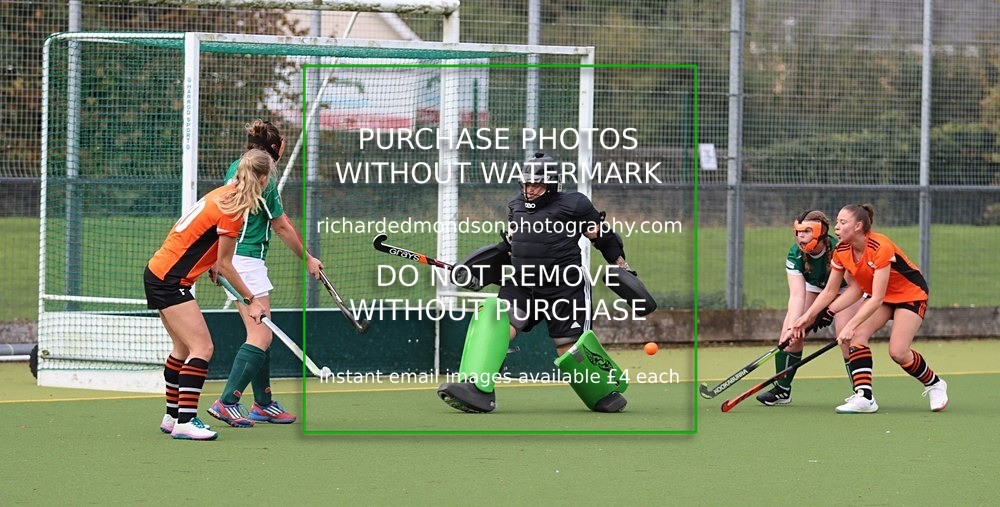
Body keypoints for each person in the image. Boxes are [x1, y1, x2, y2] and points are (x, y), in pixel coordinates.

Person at [436, 153, 652, 414]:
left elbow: (602, 238)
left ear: (552, 185)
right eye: (525, 184)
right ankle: (475, 389)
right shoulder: (516, 205)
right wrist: (479, 269)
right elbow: (512, 245)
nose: (529, 190)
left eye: (535, 185)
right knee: (494, 319)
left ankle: (604, 391)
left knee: (568, 348)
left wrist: (623, 267)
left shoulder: (575, 205)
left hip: (566, 286)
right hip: (523, 283)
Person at [145, 149, 272, 440]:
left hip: (158, 271)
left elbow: (205, 240)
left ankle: (172, 415)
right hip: (170, 281)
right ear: (263, 179)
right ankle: (186, 422)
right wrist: (251, 301)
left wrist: (210, 261)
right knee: (202, 349)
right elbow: (228, 265)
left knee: (182, 349)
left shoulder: (223, 193)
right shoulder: (234, 210)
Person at [207, 120, 324, 428]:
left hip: (232, 259)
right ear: (276, 148)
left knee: (259, 333)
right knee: (261, 334)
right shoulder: (265, 177)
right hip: (245, 262)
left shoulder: (237, 166)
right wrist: (308, 259)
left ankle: (263, 403)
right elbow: (282, 225)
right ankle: (227, 402)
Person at [791, 203, 948, 413]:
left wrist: (849, 324)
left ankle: (935, 383)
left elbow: (876, 297)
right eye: (837, 222)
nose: (836, 227)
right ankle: (865, 397)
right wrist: (812, 316)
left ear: (858, 226)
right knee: (857, 336)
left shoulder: (880, 247)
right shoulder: (842, 250)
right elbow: (836, 291)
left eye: (842, 222)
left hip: (909, 295)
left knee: (898, 352)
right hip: (880, 297)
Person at [756, 210, 863, 406]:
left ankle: (861, 393)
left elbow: (852, 288)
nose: (801, 237)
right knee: (790, 335)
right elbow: (797, 295)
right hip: (815, 289)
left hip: (847, 290)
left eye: (807, 231)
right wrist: (794, 327)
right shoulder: (795, 254)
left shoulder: (841, 249)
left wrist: (830, 309)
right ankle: (782, 389)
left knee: (846, 337)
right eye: (798, 231)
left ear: (821, 233)